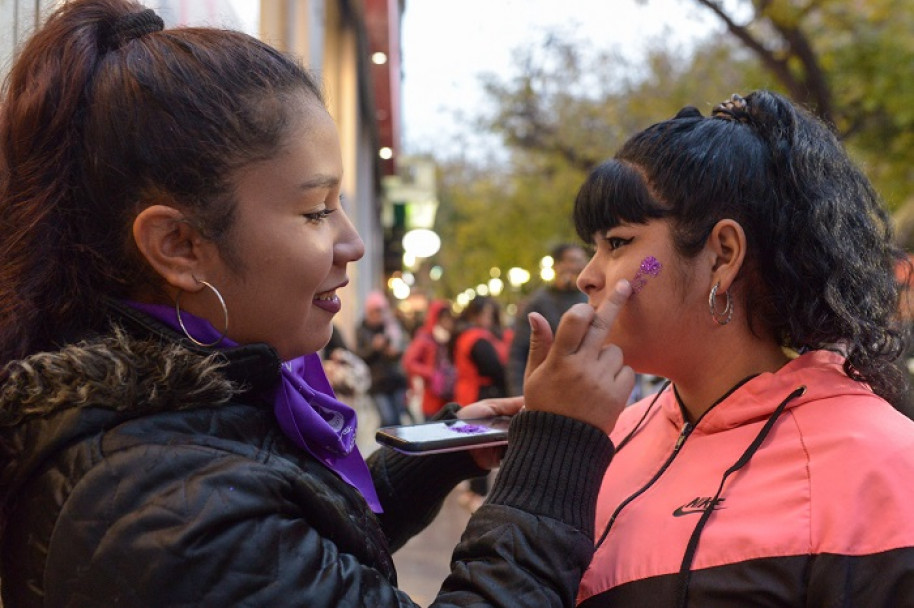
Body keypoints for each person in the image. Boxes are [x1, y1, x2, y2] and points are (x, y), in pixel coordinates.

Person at [0, 1, 635, 605]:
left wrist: (440, 455)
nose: (353, 244)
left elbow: (298, 559)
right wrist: (558, 453)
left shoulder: (178, 434)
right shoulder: (159, 507)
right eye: (315, 211)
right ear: (180, 245)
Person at [572, 91, 914, 607]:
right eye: (590, 248)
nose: (586, 277)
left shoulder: (881, 464)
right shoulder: (607, 436)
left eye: (618, 243)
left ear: (722, 255)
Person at [450, 296, 509, 510]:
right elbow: (495, 369)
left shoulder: (464, 335)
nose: (489, 319)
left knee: (474, 443)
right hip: (478, 395)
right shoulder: (477, 338)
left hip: (467, 393)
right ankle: (478, 494)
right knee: (481, 446)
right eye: (487, 314)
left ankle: (473, 491)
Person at [507, 243, 588, 395]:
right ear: (557, 265)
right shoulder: (538, 302)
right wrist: (519, 394)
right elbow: (518, 352)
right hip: (551, 390)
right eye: (573, 260)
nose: (579, 266)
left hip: (586, 390)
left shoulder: (590, 298)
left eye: (581, 261)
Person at [355, 291, 413, 427]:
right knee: (388, 420)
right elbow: (360, 356)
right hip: (377, 384)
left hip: (395, 380)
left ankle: (396, 448)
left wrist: (394, 351)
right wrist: (374, 347)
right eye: (375, 311)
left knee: (397, 420)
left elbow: (402, 349)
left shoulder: (390, 327)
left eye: (380, 311)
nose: (378, 315)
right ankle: (388, 446)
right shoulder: (362, 330)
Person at [401, 299, 457, 419]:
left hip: (451, 397)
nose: (447, 322)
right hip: (432, 399)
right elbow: (408, 362)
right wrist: (431, 373)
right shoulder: (425, 338)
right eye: (444, 318)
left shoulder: (452, 338)